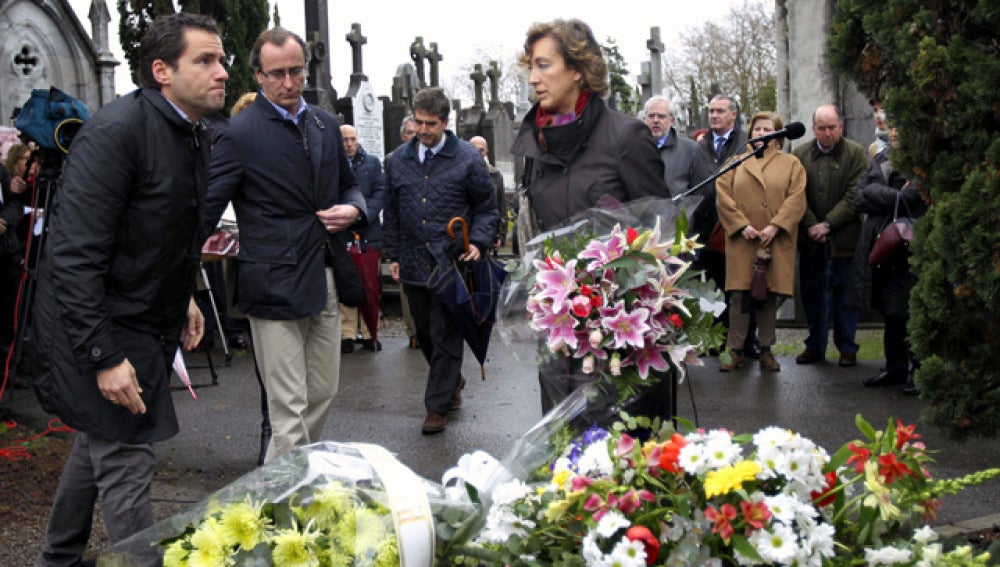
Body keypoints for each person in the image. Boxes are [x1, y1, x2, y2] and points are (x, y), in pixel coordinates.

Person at [30, 13, 224, 564]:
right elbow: (73, 255)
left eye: (221, 60)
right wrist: (104, 356)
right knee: (126, 456)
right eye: (204, 61)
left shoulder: (193, 134)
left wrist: (184, 293)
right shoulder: (116, 133)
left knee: (100, 441)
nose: (221, 72)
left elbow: (169, 230)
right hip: (101, 328)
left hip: (144, 322)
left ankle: (57, 558)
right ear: (161, 70)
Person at [205, 27, 365, 462]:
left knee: (324, 394)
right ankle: (287, 512)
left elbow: (351, 188)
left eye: (296, 71)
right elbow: (206, 209)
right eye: (277, 74)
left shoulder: (325, 125)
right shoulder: (238, 133)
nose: (289, 82)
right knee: (288, 411)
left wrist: (355, 211)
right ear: (259, 75)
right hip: (271, 285)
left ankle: (282, 479)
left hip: (324, 275)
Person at [509, 18, 669, 414]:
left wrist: (628, 294)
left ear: (578, 70)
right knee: (565, 445)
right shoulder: (534, 144)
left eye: (543, 65)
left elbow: (664, 231)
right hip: (559, 328)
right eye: (530, 66)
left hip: (621, 332)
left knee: (626, 450)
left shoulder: (626, 136)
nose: (533, 78)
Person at [383, 87, 498, 434]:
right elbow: (392, 210)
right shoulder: (397, 160)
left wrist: (478, 241)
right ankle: (452, 382)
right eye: (417, 122)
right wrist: (392, 254)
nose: (422, 130)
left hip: (452, 261)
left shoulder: (467, 159)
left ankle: (436, 407)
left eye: (430, 123)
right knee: (424, 334)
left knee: (446, 333)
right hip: (414, 261)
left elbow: (486, 208)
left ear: (446, 122)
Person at [716, 111, 807, 372]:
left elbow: (797, 198)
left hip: (773, 241)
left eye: (767, 129)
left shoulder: (791, 164)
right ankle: (735, 350)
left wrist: (776, 226)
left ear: (778, 135)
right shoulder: (736, 162)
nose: (761, 133)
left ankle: (766, 350)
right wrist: (741, 225)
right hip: (743, 241)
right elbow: (723, 195)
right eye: (757, 129)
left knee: (768, 296)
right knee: (739, 296)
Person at [792, 105, 868, 367]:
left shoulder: (855, 153)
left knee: (847, 296)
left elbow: (855, 195)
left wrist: (828, 225)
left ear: (841, 127)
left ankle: (847, 347)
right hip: (812, 242)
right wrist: (812, 225)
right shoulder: (800, 154)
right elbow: (796, 195)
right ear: (813, 129)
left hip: (845, 239)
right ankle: (815, 345)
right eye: (821, 128)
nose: (827, 133)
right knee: (813, 295)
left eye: (831, 127)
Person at [854, 128, 927, 394]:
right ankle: (894, 367)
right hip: (880, 243)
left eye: (900, 127)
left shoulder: (922, 160)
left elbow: (912, 199)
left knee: (910, 309)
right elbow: (859, 196)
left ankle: (917, 370)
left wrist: (878, 193)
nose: (895, 132)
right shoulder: (880, 157)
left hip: (909, 244)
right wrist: (889, 195)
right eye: (892, 128)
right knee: (889, 309)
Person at [691, 94, 759, 358]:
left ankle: (746, 340)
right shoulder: (700, 146)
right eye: (711, 111)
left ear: (733, 114)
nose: (714, 116)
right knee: (715, 288)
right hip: (706, 229)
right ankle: (719, 339)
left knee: (742, 287)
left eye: (720, 111)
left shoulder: (746, 143)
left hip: (738, 226)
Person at [339, 123, 386, 354]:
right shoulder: (334, 163)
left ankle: (370, 332)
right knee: (347, 283)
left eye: (352, 139)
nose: (349, 144)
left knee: (369, 284)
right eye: (345, 139)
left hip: (369, 232)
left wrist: (364, 214)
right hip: (343, 232)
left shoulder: (372, 163)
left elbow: (380, 192)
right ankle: (346, 333)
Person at [643, 95, 711, 198]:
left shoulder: (691, 149)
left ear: (672, 120)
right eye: (651, 116)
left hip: (678, 213)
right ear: (644, 119)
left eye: (661, 116)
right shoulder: (633, 148)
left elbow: (702, 191)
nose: (655, 120)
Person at [392, 115, 420, 349]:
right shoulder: (393, 162)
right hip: (406, 240)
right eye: (410, 132)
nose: (415, 136)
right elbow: (390, 208)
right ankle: (413, 331)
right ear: (403, 136)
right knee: (407, 292)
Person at [469, 135, 507, 253]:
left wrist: (500, 235)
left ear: (486, 152)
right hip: (467, 235)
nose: (477, 153)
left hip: (488, 235)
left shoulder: (495, 176)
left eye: (480, 150)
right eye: (472, 149)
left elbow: (501, 207)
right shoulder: (461, 174)